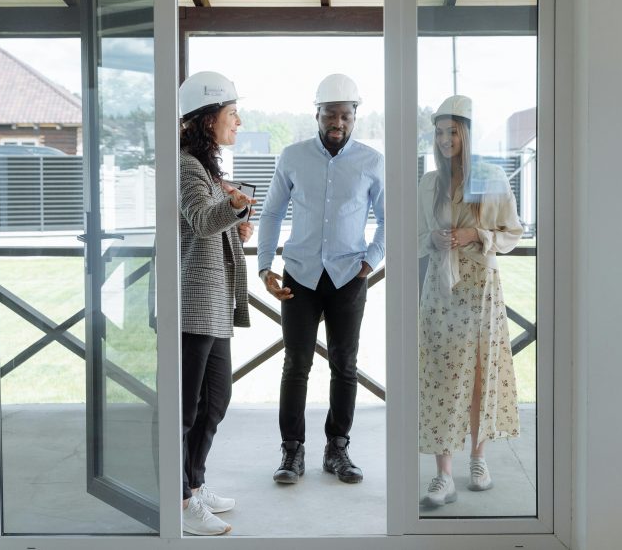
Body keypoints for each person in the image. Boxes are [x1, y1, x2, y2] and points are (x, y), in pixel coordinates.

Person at [257, 74, 385, 485]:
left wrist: (370, 262)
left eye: (345, 115)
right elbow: (272, 212)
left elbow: (390, 218)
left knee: (345, 365)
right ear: (317, 114)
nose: (338, 122)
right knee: (296, 364)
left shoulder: (372, 161)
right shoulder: (292, 157)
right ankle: (292, 451)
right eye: (330, 114)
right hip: (300, 276)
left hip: (349, 276)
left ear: (355, 116)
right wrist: (264, 266)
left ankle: (338, 449)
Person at [416, 95, 523, 508]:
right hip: (440, 287)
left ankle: (479, 460)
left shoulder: (491, 178)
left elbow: (513, 232)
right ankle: (443, 474)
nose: (445, 140)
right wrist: (434, 238)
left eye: (453, 132)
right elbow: (414, 235)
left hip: (480, 286)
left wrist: (476, 234)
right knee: (440, 374)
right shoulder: (429, 183)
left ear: (467, 133)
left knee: (480, 373)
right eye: (440, 133)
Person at [177, 71, 256, 535]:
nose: (238, 122)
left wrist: (236, 225)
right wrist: (234, 209)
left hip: (214, 305)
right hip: (194, 304)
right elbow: (202, 220)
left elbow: (211, 225)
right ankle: (181, 500)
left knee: (216, 400)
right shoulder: (187, 165)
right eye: (232, 114)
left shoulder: (206, 168)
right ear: (209, 119)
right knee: (187, 408)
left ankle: (194, 481)